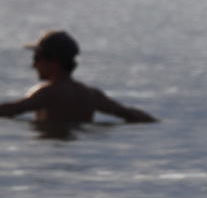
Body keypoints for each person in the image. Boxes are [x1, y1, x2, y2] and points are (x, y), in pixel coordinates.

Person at [0, 30, 156, 127]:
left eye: (37, 58)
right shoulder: (92, 95)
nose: (33, 65)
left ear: (54, 62)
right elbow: (131, 115)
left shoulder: (46, 93)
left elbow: (11, 110)